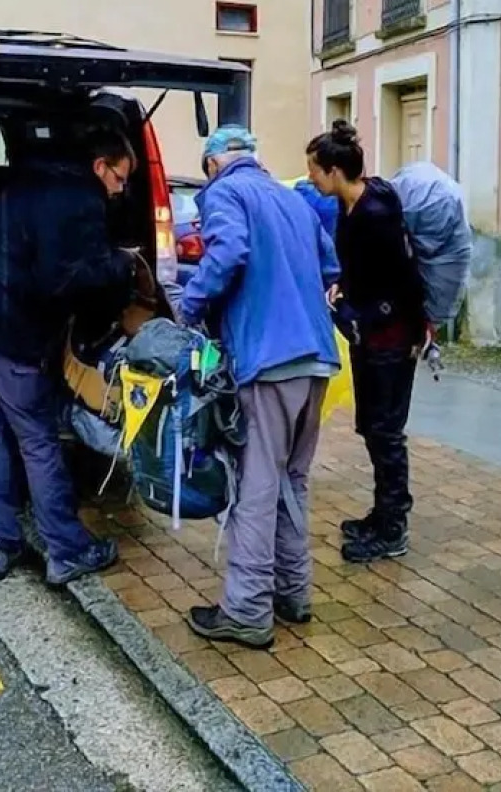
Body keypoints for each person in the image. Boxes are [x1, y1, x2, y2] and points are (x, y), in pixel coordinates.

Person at [0, 123, 137, 586]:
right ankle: (66, 550)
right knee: (38, 440)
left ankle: (1, 544)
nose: (121, 189)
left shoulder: (31, 177)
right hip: (11, 336)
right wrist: (123, 263)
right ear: (99, 166)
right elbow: (65, 279)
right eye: (120, 178)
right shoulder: (81, 201)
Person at [179, 126, 340, 649]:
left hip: (269, 359)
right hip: (317, 357)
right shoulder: (293, 198)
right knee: (291, 478)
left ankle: (247, 611)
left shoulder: (226, 191)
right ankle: (293, 593)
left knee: (256, 484)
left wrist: (191, 306)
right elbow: (329, 265)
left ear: (212, 164)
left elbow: (227, 255)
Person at [306, 120, 425, 562]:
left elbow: (402, 282)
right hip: (372, 335)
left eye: (315, 170)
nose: (311, 178)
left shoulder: (375, 214)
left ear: (335, 170)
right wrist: (345, 289)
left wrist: (373, 317)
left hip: (390, 338)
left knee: (386, 431)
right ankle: (382, 511)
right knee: (373, 426)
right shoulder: (352, 206)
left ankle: (393, 527)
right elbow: (366, 272)